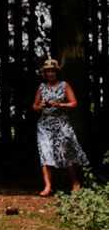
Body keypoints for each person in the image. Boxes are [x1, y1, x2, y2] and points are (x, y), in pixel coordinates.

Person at [32, 57, 89, 197]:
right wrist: (41, 106)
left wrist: (60, 104)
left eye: (53, 71)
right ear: (44, 73)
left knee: (66, 152)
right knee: (45, 153)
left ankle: (75, 182)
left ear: (57, 72)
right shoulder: (41, 87)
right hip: (44, 125)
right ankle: (48, 186)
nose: (50, 74)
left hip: (62, 124)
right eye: (48, 72)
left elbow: (74, 103)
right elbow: (34, 106)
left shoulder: (64, 85)